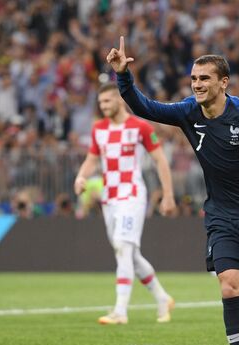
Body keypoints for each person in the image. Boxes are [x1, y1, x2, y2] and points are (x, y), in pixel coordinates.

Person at [107, 37, 239, 345]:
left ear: (223, 82)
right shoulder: (187, 111)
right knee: (229, 284)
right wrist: (124, 77)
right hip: (222, 216)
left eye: (204, 79)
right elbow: (145, 108)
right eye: (194, 79)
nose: (197, 84)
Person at [74, 82, 177, 325]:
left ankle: (120, 311)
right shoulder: (99, 129)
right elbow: (91, 159)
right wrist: (81, 176)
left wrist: (168, 194)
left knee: (122, 247)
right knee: (129, 255)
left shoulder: (140, 126)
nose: (104, 106)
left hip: (132, 195)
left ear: (119, 100)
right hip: (109, 198)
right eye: (101, 103)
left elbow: (160, 160)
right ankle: (162, 298)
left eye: (108, 101)